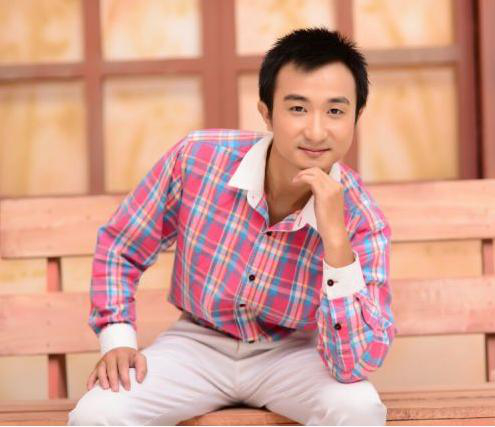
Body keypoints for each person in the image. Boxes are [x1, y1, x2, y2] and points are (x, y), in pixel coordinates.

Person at [68, 27, 397, 426]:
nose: (315, 131)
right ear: (266, 112)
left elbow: (354, 365)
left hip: (295, 353)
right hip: (198, 344)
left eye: (335, 111)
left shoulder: (363, 219)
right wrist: (117, 340)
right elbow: (122, 244)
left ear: (356, 117)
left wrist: (336, 240)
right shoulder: (199, 158)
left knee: (359, 409)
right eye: (297, 108)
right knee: (97, 414)